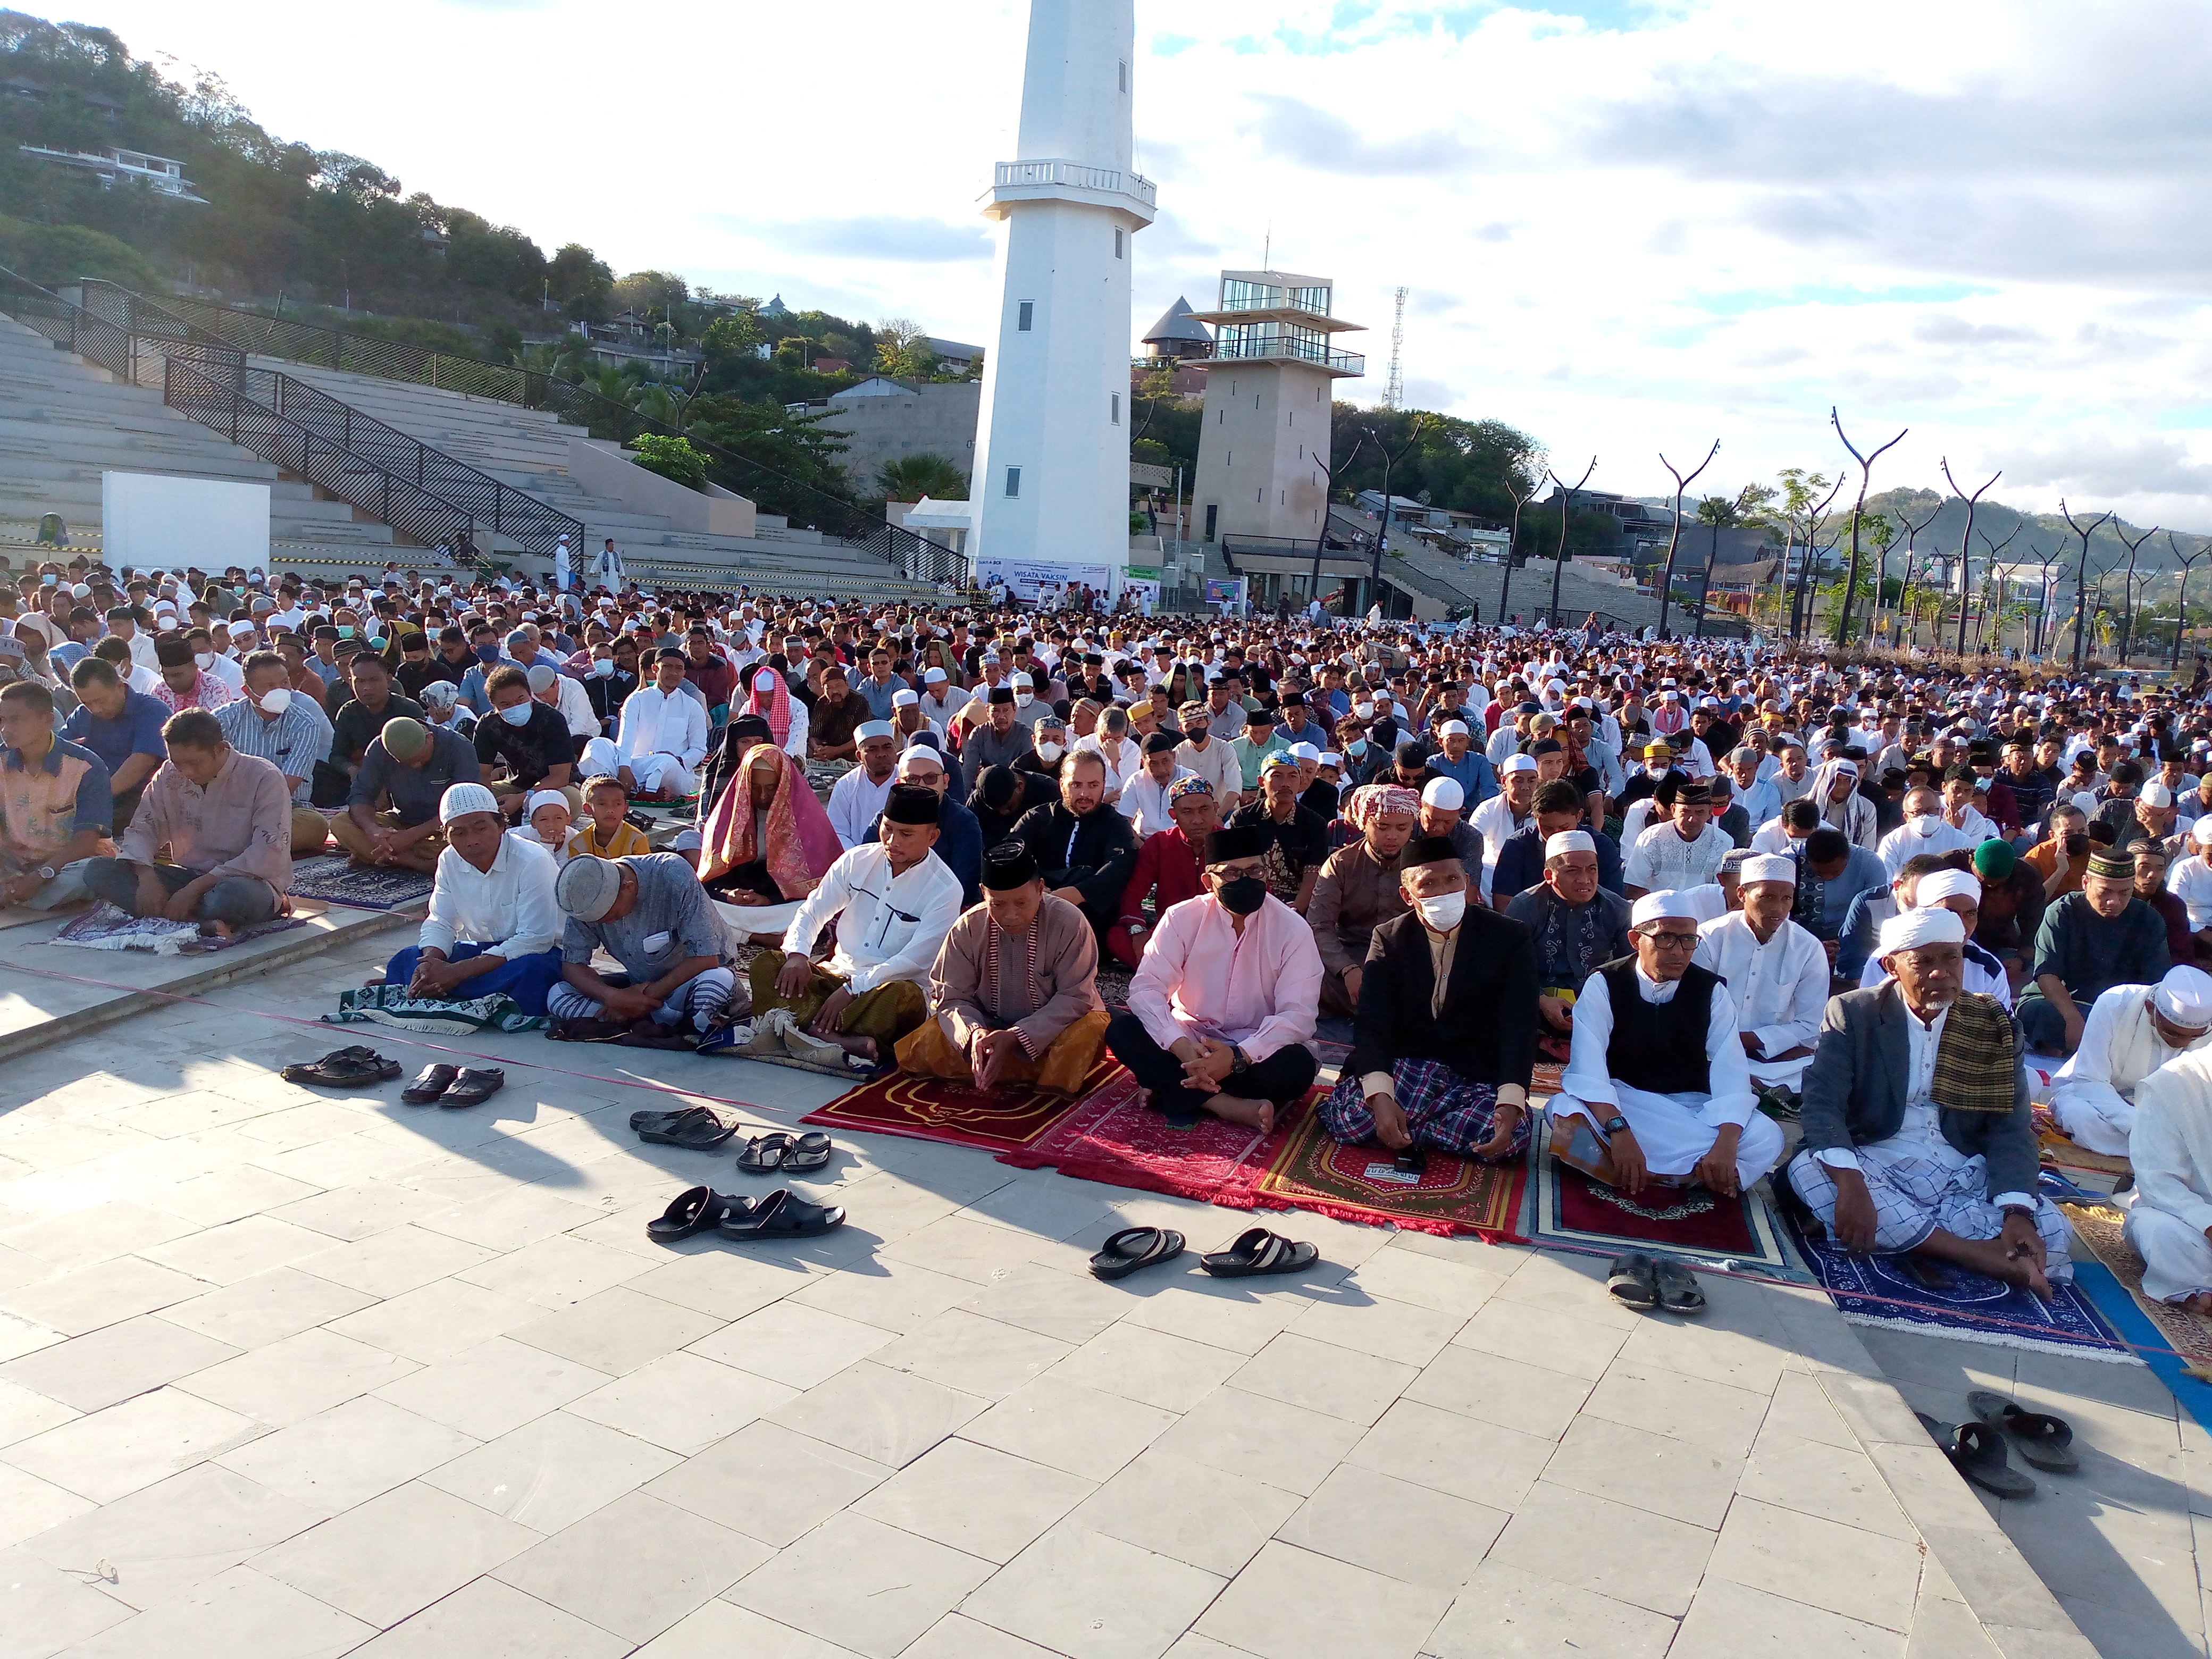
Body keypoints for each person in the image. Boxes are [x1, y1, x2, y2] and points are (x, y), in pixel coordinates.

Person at [1785, 907, 2070, 1295]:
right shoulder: (1854, 1012)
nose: (1940, 972)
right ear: (1892, 965)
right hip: (1875, 1160)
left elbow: (2011, 1127)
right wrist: (1851, 1185)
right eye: (1923, 962)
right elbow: (1822, 1105)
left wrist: (2016, 1213)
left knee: (2054, 1228)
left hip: (1958, 1169)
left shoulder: (1992, 1023)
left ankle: (1916, 1235)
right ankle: (1976, 1255)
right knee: (1808, 1169)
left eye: (1951, 958)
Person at [1547, 890, 1787, 1196]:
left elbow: (1731, 1073)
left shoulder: (1711, 991)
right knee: (1563, 1110)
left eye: (1689, 940)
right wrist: (1620, 1131)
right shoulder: (1605, 984)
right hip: (1624, 1103)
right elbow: (1588, 1070)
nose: (1679, 951)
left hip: (1691, 1109)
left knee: (1766, 1136)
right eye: (1666, 938)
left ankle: (1639, 1171)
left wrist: (1726, 1143)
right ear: (1636, 940)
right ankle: (1691, 1175)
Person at [1319, 832, 1537, 1159]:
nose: (1444, 891)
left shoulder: (1509, 937)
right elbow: (1372, 1022)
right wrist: (1380, 1097)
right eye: (1429, 884)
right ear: (1408, 895)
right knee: (1354, 1118)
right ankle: (1424, 1128)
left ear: (1466, 881)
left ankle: (1410, 1129)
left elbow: (1519, 1025)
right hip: (1408, 1064)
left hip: (1472, 1072)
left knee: (1512, 1133)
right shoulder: (1390, 938)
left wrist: (1509, 1101)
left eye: (1452, 879)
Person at [1107, 823, 1324, 1130]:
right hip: (1190, 1040)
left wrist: (1237, 1057)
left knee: (1296, 1068)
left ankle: (1170, 1086)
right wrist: (1179, 1045)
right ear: (1210, 881)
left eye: (1255, 871)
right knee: (1122, 1029)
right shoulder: (1181, 918)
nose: (1246, 880)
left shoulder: (1292, 929)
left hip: (1253, 1047)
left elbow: (1298, 1016)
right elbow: (1146, 990)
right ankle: (1224, 1104)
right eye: (1233, 873)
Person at [749, 783, 964, 1063]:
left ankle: (805, 1026)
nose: (892, 841)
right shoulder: (857, 861)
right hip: (836, 977)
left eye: (906, 834)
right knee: (767, 965)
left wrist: (855, 988)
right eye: (888, 829)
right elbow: (812, 911)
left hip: (884, 989)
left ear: (932, 837)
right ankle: (836, 1037)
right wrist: (798, 955)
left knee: (904, 998)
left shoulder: (945, 889)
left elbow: (915, 960)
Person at [896, 841, 1112, 1094]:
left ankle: (1023, 1075)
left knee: (1084, 1036)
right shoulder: (968, 927)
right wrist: (974, 1034)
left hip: (1054, 1031)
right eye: (998, 904)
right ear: (983, 893)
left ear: (1041, 889)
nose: (1010, 915)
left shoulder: (1069, 922)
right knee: (927, 1043)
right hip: (989, 1028)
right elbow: (952, 997)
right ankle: (998, 1064)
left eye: (1021, 903)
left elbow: (1075, 997)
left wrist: (1018, 1037)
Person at [80, 709, 292, 935]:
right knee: (98, 871)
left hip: (243, 881)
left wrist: (195, 889)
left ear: (220, 749)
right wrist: (147, 877)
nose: (186, 772)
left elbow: (269, 852)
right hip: (188, 874)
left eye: (194, 763)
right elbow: (143, 827)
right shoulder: (170, 773)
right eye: (178, 763)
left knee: (230, 898)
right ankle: (200, 921)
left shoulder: (264, 777)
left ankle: (182, 915)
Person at [378, 782, 565, 1013]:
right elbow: (441, 921)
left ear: (500, 826)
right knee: (408, 959)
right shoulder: (449, 859)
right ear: (447, 836)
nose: (472, 840)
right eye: (459, 833)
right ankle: (442, 986)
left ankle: (442, 989)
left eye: (481, 828)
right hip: (484, 953)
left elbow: (535, 939)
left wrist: (457, 972)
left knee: (534, 973)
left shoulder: (532, 860)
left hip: (536, 953)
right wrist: (430, 964)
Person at [547, 852, 738, 1038]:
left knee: (718, 983)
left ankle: (633, 1020)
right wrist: (612, 997)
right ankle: (663, 1021)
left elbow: (706, 959)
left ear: (628, 888)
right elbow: (572, 965)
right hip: (635, 987)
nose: (609, 924)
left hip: (688, 983)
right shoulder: (584, 892)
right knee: (558, 995)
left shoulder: (672, 873)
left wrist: (642, 999)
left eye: (611, 916)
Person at [1692, 853, 1828, 1094]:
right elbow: (1692, 1011)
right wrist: (1731, 1044)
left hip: (1774, 1060)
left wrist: (1754, 1042)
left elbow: (1810, 1024)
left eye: (1787, 899)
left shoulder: (1807, 948)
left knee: (1821, 1070)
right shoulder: (1710, 939)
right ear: (1742, 894)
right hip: (1709, 1051)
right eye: (1767, 897)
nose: (1778, 908)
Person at [2016, 849, 2176, 1054]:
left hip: (2120, 1010)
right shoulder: (2062, 912)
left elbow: (2154, 984)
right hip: (2062, 1003)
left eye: (2124, 893)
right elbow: (2047, 975)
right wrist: (2071, 1017)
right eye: (2105, 892)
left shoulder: (2149, 919)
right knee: (2043, 1015)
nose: (2114, 901)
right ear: (2086, 883)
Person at [2046, 965, 2212, 1157]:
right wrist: (2141, 1125)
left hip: (2167, 1115)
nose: (2182, 1043)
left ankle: (2163, 1151)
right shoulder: (2114, 1003)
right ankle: (2170, 1155)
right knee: (2081, 1116)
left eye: (2193, 1037)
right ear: (2151, 1008)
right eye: (2172, 1033)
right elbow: (2088, 1080)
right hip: (2096, 1097)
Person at [1506, 830, 1633, 1062]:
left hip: (1596, 1006)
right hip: (1538, 1005)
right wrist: (1542, 1000)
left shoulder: (1617, 908)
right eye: (1573, 871)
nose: (1585, 879)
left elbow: (1630, 970)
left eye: (1592, 869)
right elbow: (1509, 968)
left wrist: (1598, 1004)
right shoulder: (1525, 906)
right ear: (1549, 875)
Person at [698, 740, 844, 933]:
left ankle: (745, 935)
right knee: (705, 907)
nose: (764, 796)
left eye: (771, 788)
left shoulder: (806, 817)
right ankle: (758, 936)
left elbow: (820, 884)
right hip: (738, 903)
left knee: (808, 913)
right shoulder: (729, 815)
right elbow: (711, 879)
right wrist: (728, 895)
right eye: (756, 788)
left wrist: (770, 900)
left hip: (781, 904)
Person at [1008, 749, 1142, 948]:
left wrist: (1077, 893)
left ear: (1104, 785)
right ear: (1062, 785)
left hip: (1089, 911)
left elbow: (1118, 867)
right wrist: (1032, 887)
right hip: (1038, 900)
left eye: (1093, 785)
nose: (1084, 794)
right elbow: (1010, 852)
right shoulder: (1039, 817)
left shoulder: (1115, 824)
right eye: (1076, 785)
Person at [1306, 783, 1418, 1017]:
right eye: (1382, 826)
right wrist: (1347, 969)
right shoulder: (1340, 864)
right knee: (1305, 975)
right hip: (1348, 959)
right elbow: (1319, 926)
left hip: (1408, 959)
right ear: (1364, 824)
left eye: (1402, 828)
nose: (1392, 836)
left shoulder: (1422, 864)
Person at [0, 678, 111, 911]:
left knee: (93, 873)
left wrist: (43, 874)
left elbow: (87, 841)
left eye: (16, 720)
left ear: (48, 720)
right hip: (15, 860)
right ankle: (17, 891)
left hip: (65, 865)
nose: (5, 729)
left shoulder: (86, 766)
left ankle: (16, 894)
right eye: (2, 720)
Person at [216, 650, 337, 856]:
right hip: (229, 806)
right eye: (270, 686)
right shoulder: (224, 719)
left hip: (285, 810)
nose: (280, 691)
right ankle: (251, 845)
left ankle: (232, 844)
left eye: (284, 683)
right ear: (248, 691)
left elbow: (286, 785)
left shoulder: (305, 724)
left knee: (315, 827)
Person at [2118, 1048, 2212, 1309]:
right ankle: (2194, 1288)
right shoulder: (2174, 1084)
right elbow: (2158, 1183)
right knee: (2163, 1236)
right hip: (2188, 1220)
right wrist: (2208, 1224)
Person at [332, 716, 482, 875]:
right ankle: (411, 861)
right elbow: (362, 795)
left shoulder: (459, 747)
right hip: (401, 823)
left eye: (419, 759)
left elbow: (465, 806)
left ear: (430, 738)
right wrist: (373, 831)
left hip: (444, 828)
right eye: (408, 763)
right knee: (340, 823)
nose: (416, 766)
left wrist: (411, 836)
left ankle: (383, 855)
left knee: (470, 843)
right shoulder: (379, 748)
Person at [1109, 775, 1218, 968]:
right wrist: (1138, 931)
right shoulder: (1159, 845)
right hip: (1170, 933)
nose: (1197, 820)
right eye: (1187, 812)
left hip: (1219, 935)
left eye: (1204, 810)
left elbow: (1257, 892)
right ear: (1173, 815)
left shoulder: (1231, 843)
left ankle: (1166, 971)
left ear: (1215, 809)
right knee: (1117, 937)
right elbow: (1132, 895)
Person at [62, 657, 167, 830]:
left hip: (141, 804)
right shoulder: (82, 714)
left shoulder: (152, 711)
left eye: (101, 700)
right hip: (90, 803)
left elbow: (140, 763)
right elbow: (60, 750)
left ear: (120, 686)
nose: (96, 709)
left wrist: (95, 799)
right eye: (87, 703)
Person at [1229, 750, 1329, 911]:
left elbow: (1313, 875)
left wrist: (1295, 911)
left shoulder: (1315, 824)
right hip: (1253, 899)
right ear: (1262, 781)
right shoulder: (1243, 819)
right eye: (1277, 776)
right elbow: (1238, 869)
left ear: (1301, 782)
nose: (1285, 783)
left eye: (1292, 776)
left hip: (1297, 904)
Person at [477, 665, 576, 819]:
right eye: (505, 704)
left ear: (530, 694)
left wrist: (523, 798)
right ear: (494, 705)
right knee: (473, 799)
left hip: (556, 788)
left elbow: (560, 776)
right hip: (514, 787)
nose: (515, 707)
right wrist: (487, 800)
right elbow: (482, 774)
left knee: (571, 800)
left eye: (520, 700)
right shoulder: (488, 725)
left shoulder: (552, 719)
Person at [616, 649, 709, 802]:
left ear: (684, 673)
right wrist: (624, 767)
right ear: (655, 669)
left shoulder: (692, 706)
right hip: (638, 767)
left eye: (679, 668)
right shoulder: (637, 700)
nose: (673, 673)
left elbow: (699, 748)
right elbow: (625, 739)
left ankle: (647, 793)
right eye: (667, 667)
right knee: (598, 745)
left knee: (665, 761)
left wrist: (680, 760)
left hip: (675, 771)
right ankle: (615, 789)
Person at [1623, 778, 1729, 898]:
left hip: (1703, 910)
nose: (1692, 819)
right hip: (1659, 908)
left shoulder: (1723, 842)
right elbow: (1635, 885)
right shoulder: (1651, 838)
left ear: (1710, 812)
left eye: (1700, 812)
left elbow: (1721, 890)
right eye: (1685, 812)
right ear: (1674, 810)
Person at [828, 722, 899, 850]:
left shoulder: (907, 780)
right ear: (859, 756)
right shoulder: (846, 785)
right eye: (872, 749)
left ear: (896, 750)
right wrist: (859, 857)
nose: (881, 754)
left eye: (887, 747)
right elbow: (837, 831)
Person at [1118, 732, 1196, 840]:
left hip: (1182, 841)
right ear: (1143, 763)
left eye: (1165, 761)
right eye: (1153, 764)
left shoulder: (1190, 780)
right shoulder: (1136, 781)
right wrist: (1143, 849)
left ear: (1173, 756)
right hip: (1146, 840)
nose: (1161, 770)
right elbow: (1124, 822)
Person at [569, 774, 652, 862]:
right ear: (588, 809)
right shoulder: (578, 844)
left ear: (625, 808)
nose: (610, 810)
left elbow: (644, 872)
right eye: (602, 804)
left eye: (617, 804)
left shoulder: (636, 839)